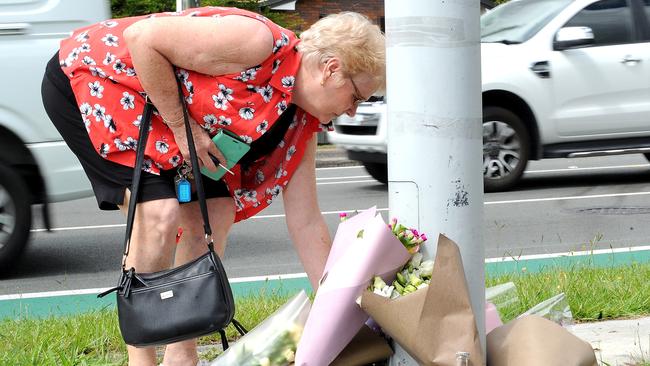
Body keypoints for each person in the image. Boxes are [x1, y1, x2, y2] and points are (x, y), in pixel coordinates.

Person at [41, 6, 385, 366]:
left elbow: (307, 223)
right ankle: (140, 361)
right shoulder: (258, 42)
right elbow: (140, 39)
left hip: (173, 117)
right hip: (98, 82)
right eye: (357, 97)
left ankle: (181, 356)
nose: (352, 112)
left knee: (217, 210)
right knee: (158, 213)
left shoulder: (302, 124)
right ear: (331, 69)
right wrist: (181, 128)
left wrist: (344, 320)